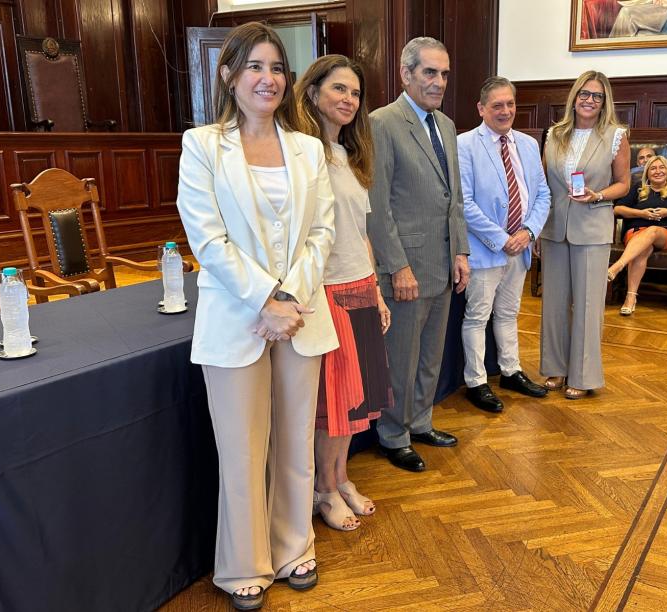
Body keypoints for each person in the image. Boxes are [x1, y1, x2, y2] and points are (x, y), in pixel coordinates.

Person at [176, 22, 336, 609]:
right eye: (254, 67)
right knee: (242, 448)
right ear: (228, 75)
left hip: (299, 317)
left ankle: (294, 546)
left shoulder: (309, 148)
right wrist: (265, 299)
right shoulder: (201, 145)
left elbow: (322, 232)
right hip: (236, 317)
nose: (267, 79)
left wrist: (287, 302)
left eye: (276, 68)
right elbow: (208, 239)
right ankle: (243, 563)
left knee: (295, 439)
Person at [295, 55, 393, 530]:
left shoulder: (350, 157)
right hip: (327, 291)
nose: (349, 100)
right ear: (312, 93)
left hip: (359, 286)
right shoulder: (302, 155)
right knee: (331, 407)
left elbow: (361, 233)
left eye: (355, 93)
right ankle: (324, 489)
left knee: (354, 404)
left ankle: (340, 476)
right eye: (339, 89)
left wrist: (376, 290)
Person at [366, 37, 470, 473]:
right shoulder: (382, 123)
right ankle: (394, 435)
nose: (439, 82)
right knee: (401, 359)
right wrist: (397, 267)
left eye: (444, 73)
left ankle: (422, 421)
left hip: (444, 263)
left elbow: (454, 197)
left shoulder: (446, 124)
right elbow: (378, 205)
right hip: (406, 268)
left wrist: (461, 251)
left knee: (431, 355)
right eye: (430, 72)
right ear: (405, 74)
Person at [457, 76, 550, 413]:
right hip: (485, 248)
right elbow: (464, 203)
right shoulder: (465, 145)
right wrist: (501, 239)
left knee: (509, 313)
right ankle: (476, 382)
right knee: (477, 316)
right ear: (481, 109)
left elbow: (542, 194)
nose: (506, 110)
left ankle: (511, 371)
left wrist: (529, 232)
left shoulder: (528, 144)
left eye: (510, 104)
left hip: (521, 245)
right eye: (497, 105)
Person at [539, 70, 630, 400]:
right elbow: (544, 183)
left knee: (588, 305)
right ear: (574, 97)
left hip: (592, 228)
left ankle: (583, 374)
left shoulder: (616, 135)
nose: (589, 100)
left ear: (605, 102)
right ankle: (555, 367)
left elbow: (624, 184)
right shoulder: (554, 134)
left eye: (597, 96)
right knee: (554, 302)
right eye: (584, 94)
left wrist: (598, 195)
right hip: (554, 228)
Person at [608, 155, 667, 315]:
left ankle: (618, 266)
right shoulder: (638, 188)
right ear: (647, 173)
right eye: (653, 168)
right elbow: (618, 209)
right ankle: (630, 298)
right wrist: (641, 213)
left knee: (652, 230)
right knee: (642, 250)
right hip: (636, 232)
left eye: (662, 167)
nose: (658, 171)